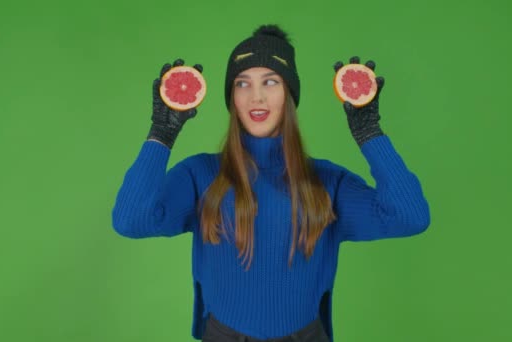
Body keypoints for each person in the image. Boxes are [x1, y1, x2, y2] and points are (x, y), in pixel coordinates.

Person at [112, 24, 430, 342]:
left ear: (289, 93)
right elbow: (129, 220)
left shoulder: (328, 182)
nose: (257, 96)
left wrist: (369, 133)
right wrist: (161, 134)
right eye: (242, 83)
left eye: (270, 81)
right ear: (231, 97)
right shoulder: (201, 175)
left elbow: (410, 216)